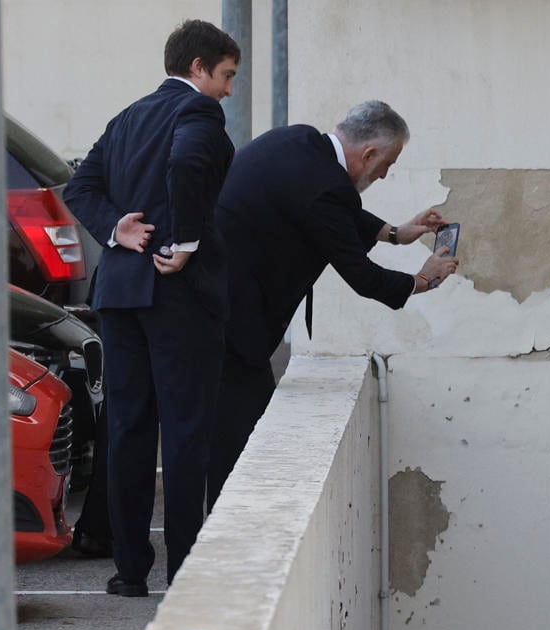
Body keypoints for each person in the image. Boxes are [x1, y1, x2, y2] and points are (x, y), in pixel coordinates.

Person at [206, 101, 458, 504]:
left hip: (212, 308)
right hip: (232, 323)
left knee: (230, 433)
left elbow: (337, 212)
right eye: (387, 164)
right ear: (369, 154)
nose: (386, 174)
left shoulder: (300, 141)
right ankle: (217, 539)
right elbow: (361, 275)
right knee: (241, 442)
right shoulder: (325, 187)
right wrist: (422, 281)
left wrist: (396, 233)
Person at [63, 19, 238, 596]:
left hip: (119, 294)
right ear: (198, 68)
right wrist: (183, 243)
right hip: (175, 293)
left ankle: (130, 571)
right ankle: (184, 570)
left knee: (129, 429)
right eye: (227, 76)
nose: (228, 90)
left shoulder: (126, 117)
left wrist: (117, 229)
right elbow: (187, 165)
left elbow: (79, 187)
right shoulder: (199, 113)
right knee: (186, 430)